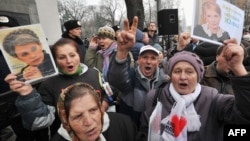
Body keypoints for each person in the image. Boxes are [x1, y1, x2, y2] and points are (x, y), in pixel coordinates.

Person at [138, 38, 250, 141]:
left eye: (189, 71)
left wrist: (238, 68)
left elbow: (245, 114)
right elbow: (144, 132)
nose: (183, 77)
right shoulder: (155, 97)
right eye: (177, 71)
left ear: (198, 77)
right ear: (170, 76)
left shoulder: (212, 98)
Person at [4, 38, 111, 138]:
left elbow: (109, 94)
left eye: (72, 55)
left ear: (79, 55)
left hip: (99, 133)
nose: (69, 61)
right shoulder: (48, 84)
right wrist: (27, 95)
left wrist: (105, 103)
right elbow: (40, 122)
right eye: (62, 57)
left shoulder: (95, 74)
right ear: (55, 60)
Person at [108, 28, 168, 129]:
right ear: (139, 60)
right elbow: (116, 80)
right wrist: (122, 53)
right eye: (145, 57)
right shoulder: (130, 75)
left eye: (153, 58)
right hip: (131, 131)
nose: (148, 61)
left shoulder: (165, 82)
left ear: (158, 62)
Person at [51, 82, 137, 141]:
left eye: (93, 110)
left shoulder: (124, 124)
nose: (88, 122)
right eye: (78, 116)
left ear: (100, 108)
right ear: (66, 120)